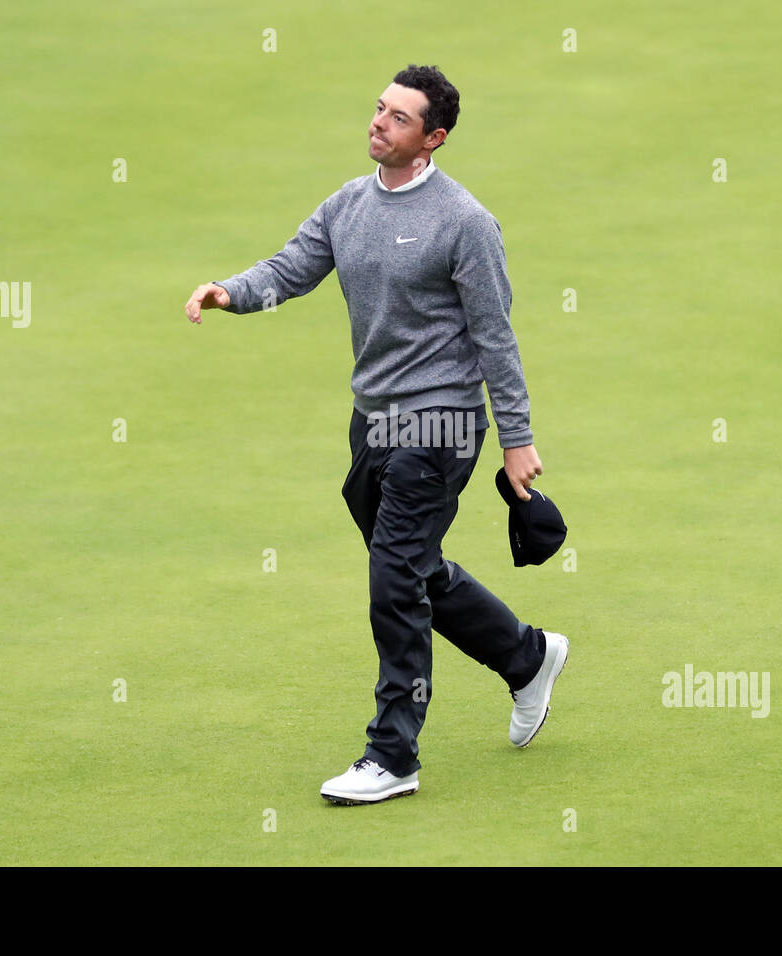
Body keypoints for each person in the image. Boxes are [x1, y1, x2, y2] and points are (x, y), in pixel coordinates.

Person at [185, 64, 568, 805]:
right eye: (378, 109)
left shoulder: (465, 222)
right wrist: (231, 292)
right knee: (415, 570)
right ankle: (526, 658)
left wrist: (517, 439)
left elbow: (496, 336)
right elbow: (294, 266)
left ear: (433, 139)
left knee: (393, 580)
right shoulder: (349, 205)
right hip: (375, 423)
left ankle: (392, 754)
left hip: (442, 424)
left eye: (397, 118)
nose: (378, 123)